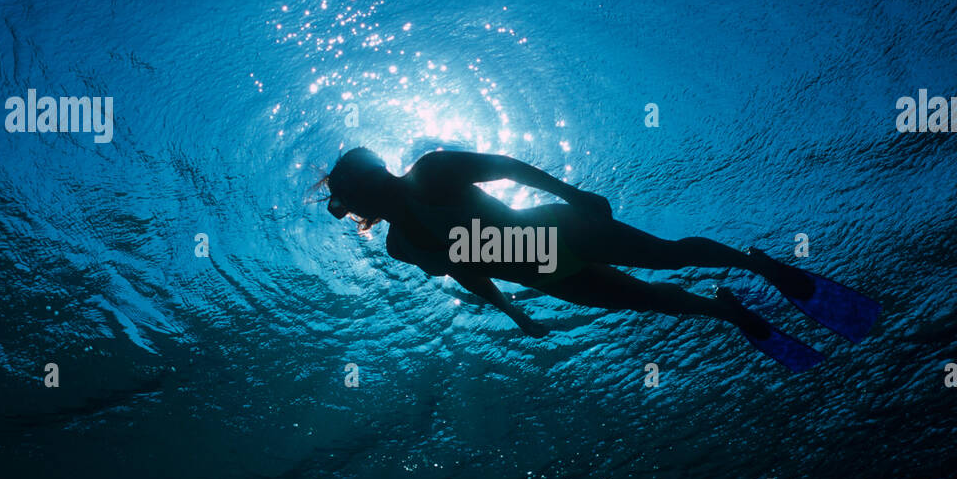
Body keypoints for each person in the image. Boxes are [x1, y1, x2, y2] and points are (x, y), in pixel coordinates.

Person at [322, 147, 879, 371]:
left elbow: (508, 167)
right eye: (351, 197)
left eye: (356, 186)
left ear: (373, 176)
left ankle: (759, 266)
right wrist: (514, 312)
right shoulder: (401, 245)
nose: (357, 200)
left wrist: (572, 195)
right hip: (543, 272)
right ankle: (728, 311)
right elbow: (469, 269)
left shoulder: (430, 171)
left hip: (551, 229)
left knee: (667, 257)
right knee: (652, 302)